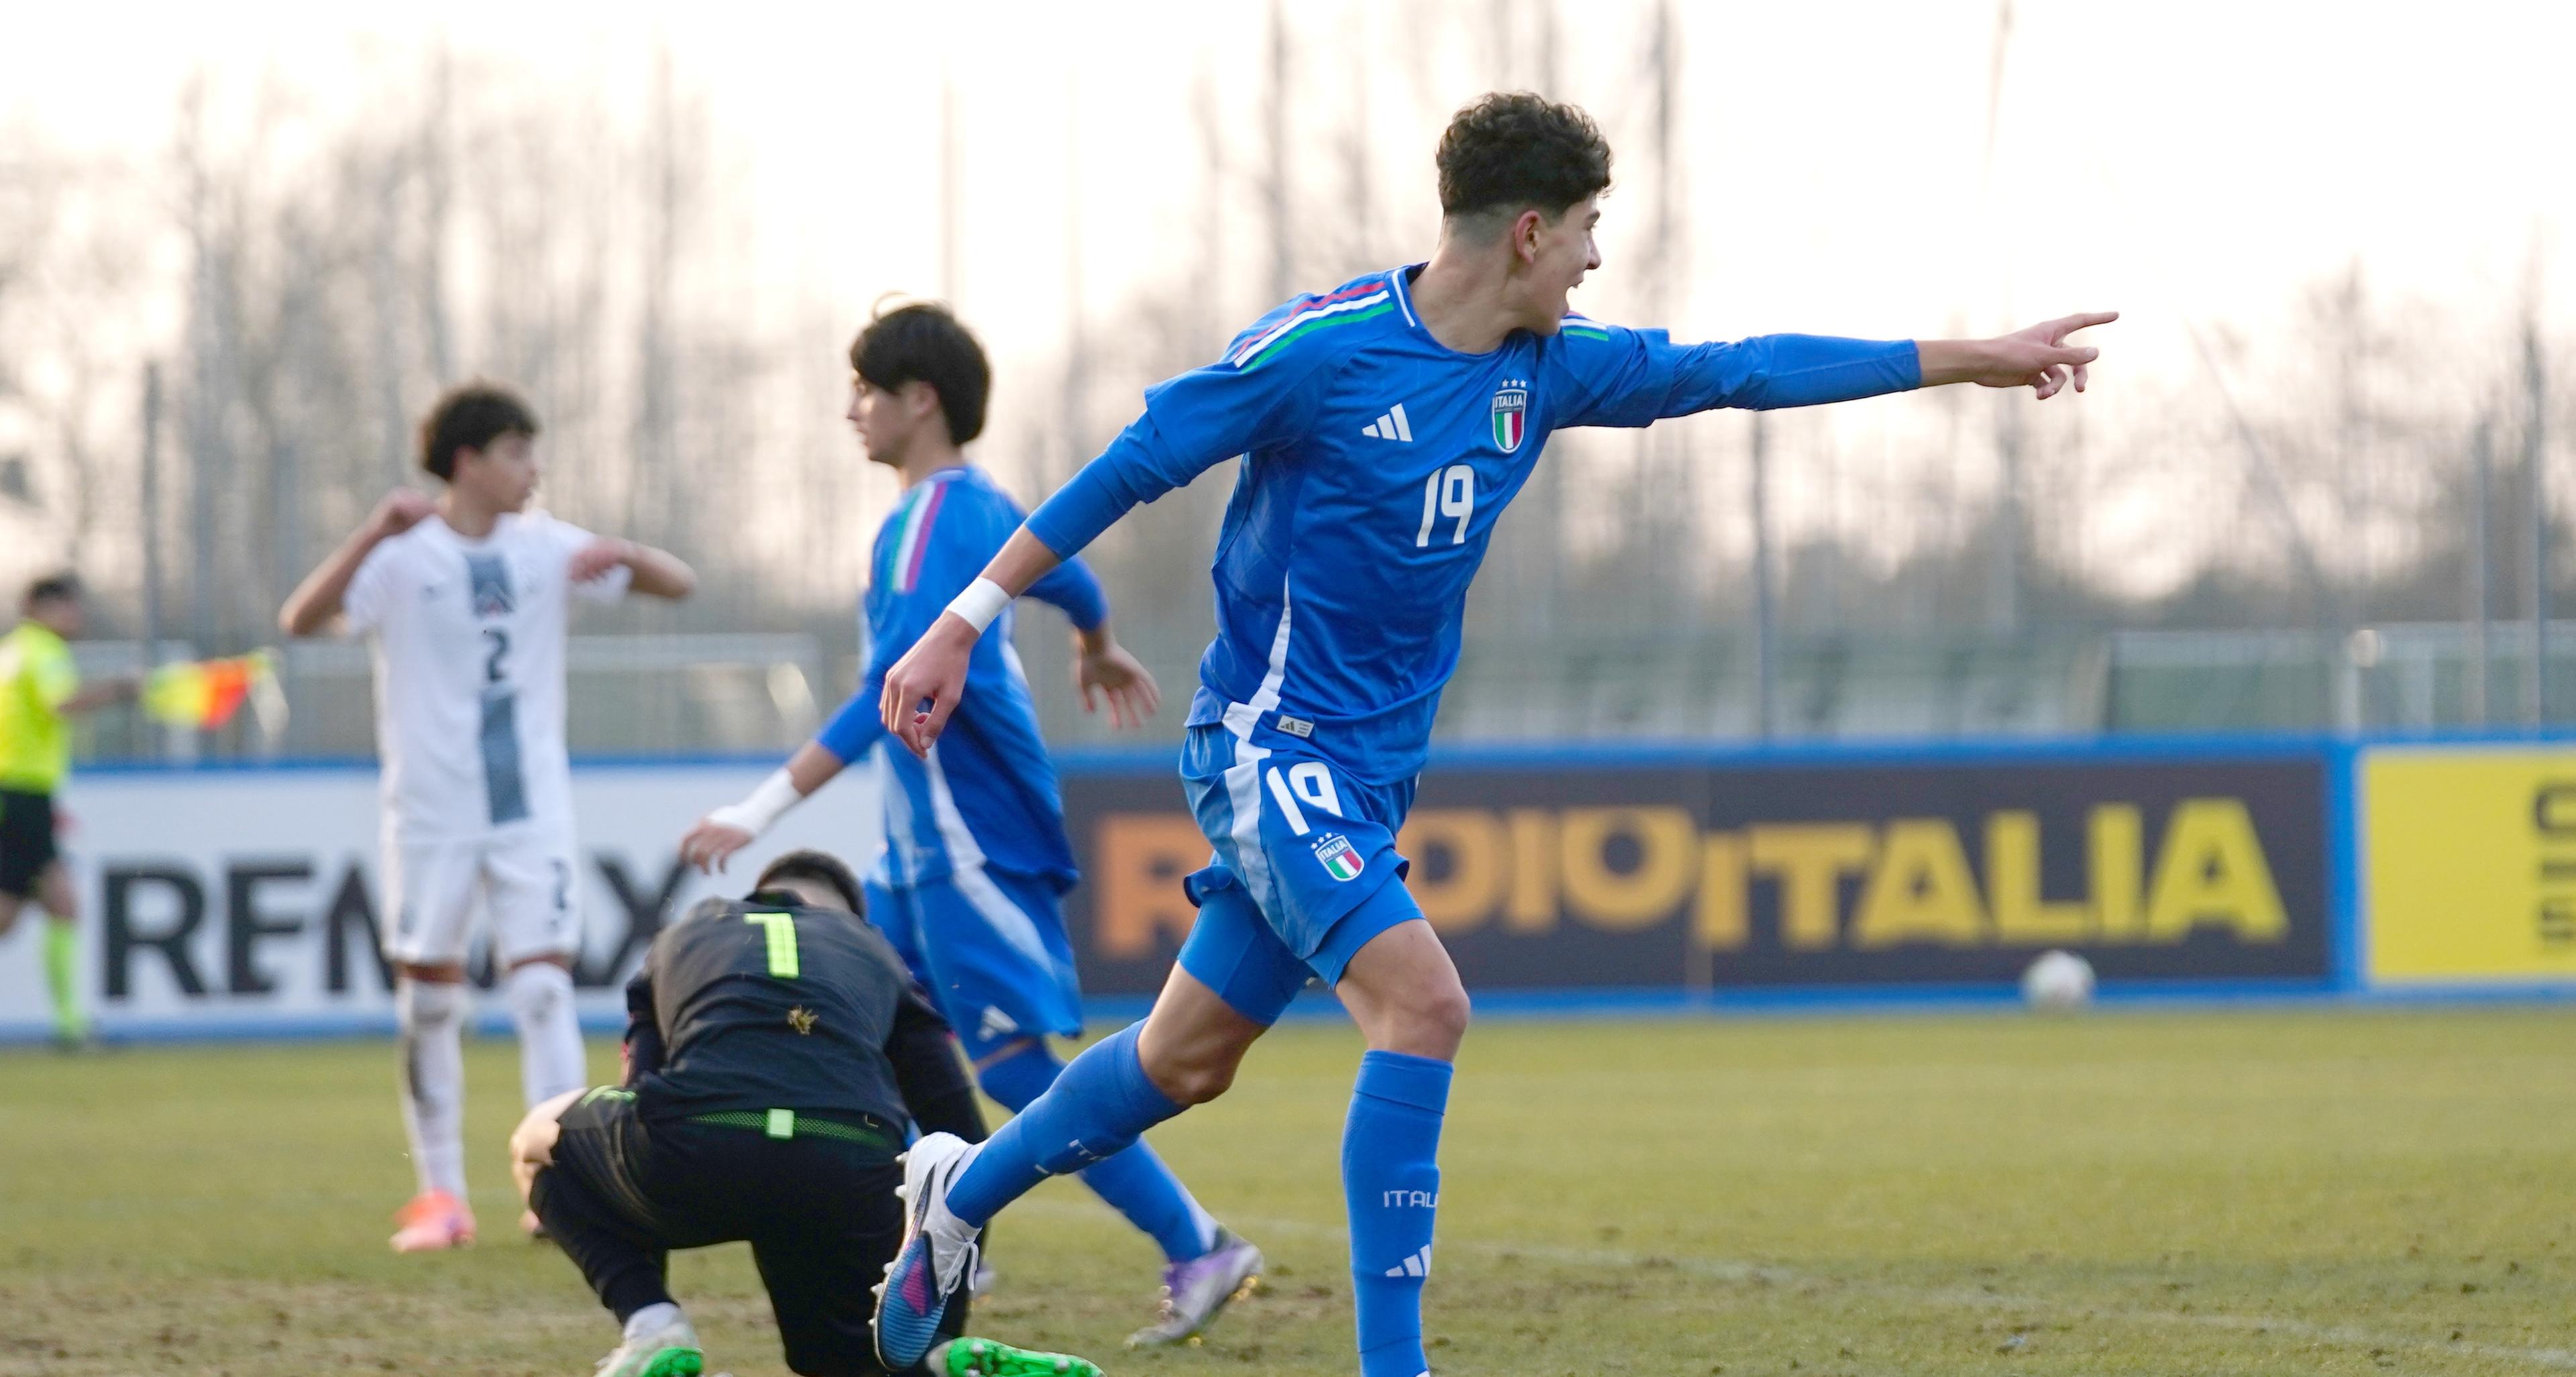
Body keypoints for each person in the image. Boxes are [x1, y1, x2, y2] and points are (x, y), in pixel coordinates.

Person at [865, 91, 2118, 1376]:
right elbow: (1135, 462)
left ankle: (956, 1198)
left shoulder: (1550, 367)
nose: (1593, 259)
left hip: (1366, 779)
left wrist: (1976, 355)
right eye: (1586, 230)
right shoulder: (1325, 351)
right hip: (1263, 745)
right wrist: (966, 619)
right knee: (1425, 1005)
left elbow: (1746, 367)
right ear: (1527, 232)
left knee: (1184, 1061)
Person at [679, 302, 1261, 1344]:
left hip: (967, 839)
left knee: (1019, 1066)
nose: (851, 409)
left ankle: (1197, 1244)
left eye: (866, 389)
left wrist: (757, 810)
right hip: (918, 853)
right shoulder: (975, 505)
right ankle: (944, 1237)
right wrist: (1094, 636)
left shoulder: (932, 521)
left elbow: (884, 696)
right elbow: (1067, 570)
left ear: (921, 400)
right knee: (864, 1034)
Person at [278, 382, 697, 1251]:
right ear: (466, 461)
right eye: (516, 451)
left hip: (529, 810)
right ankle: (441, 1197)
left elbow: (678, 584)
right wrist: (369, 532)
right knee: (430, 1008)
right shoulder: (403, 555)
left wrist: (623, 551)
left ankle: (556, 1187)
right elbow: (301, 619)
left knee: (544, 988)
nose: (532, 469)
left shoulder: (547, 545)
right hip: (429, 817)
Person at [510, 848, 1105, 1377]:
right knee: (838, 1360)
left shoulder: (687, 931)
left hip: (698, 1152)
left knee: (535, 1144)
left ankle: (652, 1322)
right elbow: (965, 1141)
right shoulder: (872, 950)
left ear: (760, 892)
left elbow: (639, 1092)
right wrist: (944, 1317)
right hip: (845, 1166)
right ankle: (937, 1357)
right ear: (850, 916)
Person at [0, 573, 136, 1049]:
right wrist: (120, 690)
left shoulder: (12, 651)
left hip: (19, 793)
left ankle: (70, 1024)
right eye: (68, 607)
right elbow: (61, 702)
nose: (77, 617)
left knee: (25, 909)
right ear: (39, 606)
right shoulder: (43, 652)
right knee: (58, 902)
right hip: (20, 793)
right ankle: (70, 1025)